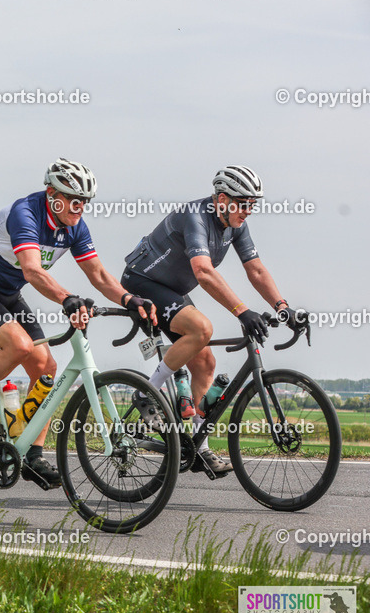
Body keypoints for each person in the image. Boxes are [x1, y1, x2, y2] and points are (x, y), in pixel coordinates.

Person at [0, 158, 158, 487]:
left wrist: (130, 299)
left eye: (85, 202)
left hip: (7, 294)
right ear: (52, 194)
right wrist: (67, 298)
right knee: (20, 345)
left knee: (46, 366)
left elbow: (99, 275)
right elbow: (32, 270)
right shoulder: (25, 213)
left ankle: (31, 454)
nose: (80, 208)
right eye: (74, 201)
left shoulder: (75, 227)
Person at [121, 165, 302, 474]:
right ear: (222, 199)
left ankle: (199, 446)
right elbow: (203, 272)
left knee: (205, 362)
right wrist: (243, 311)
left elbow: (255, 269)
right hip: (143, 282)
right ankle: (145, 393)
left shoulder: (236, 225)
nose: (249, 211)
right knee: (202, 328)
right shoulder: (196, 215)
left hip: (173, 290)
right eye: (244, 203)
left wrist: (283, 307)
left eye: (252, 204)